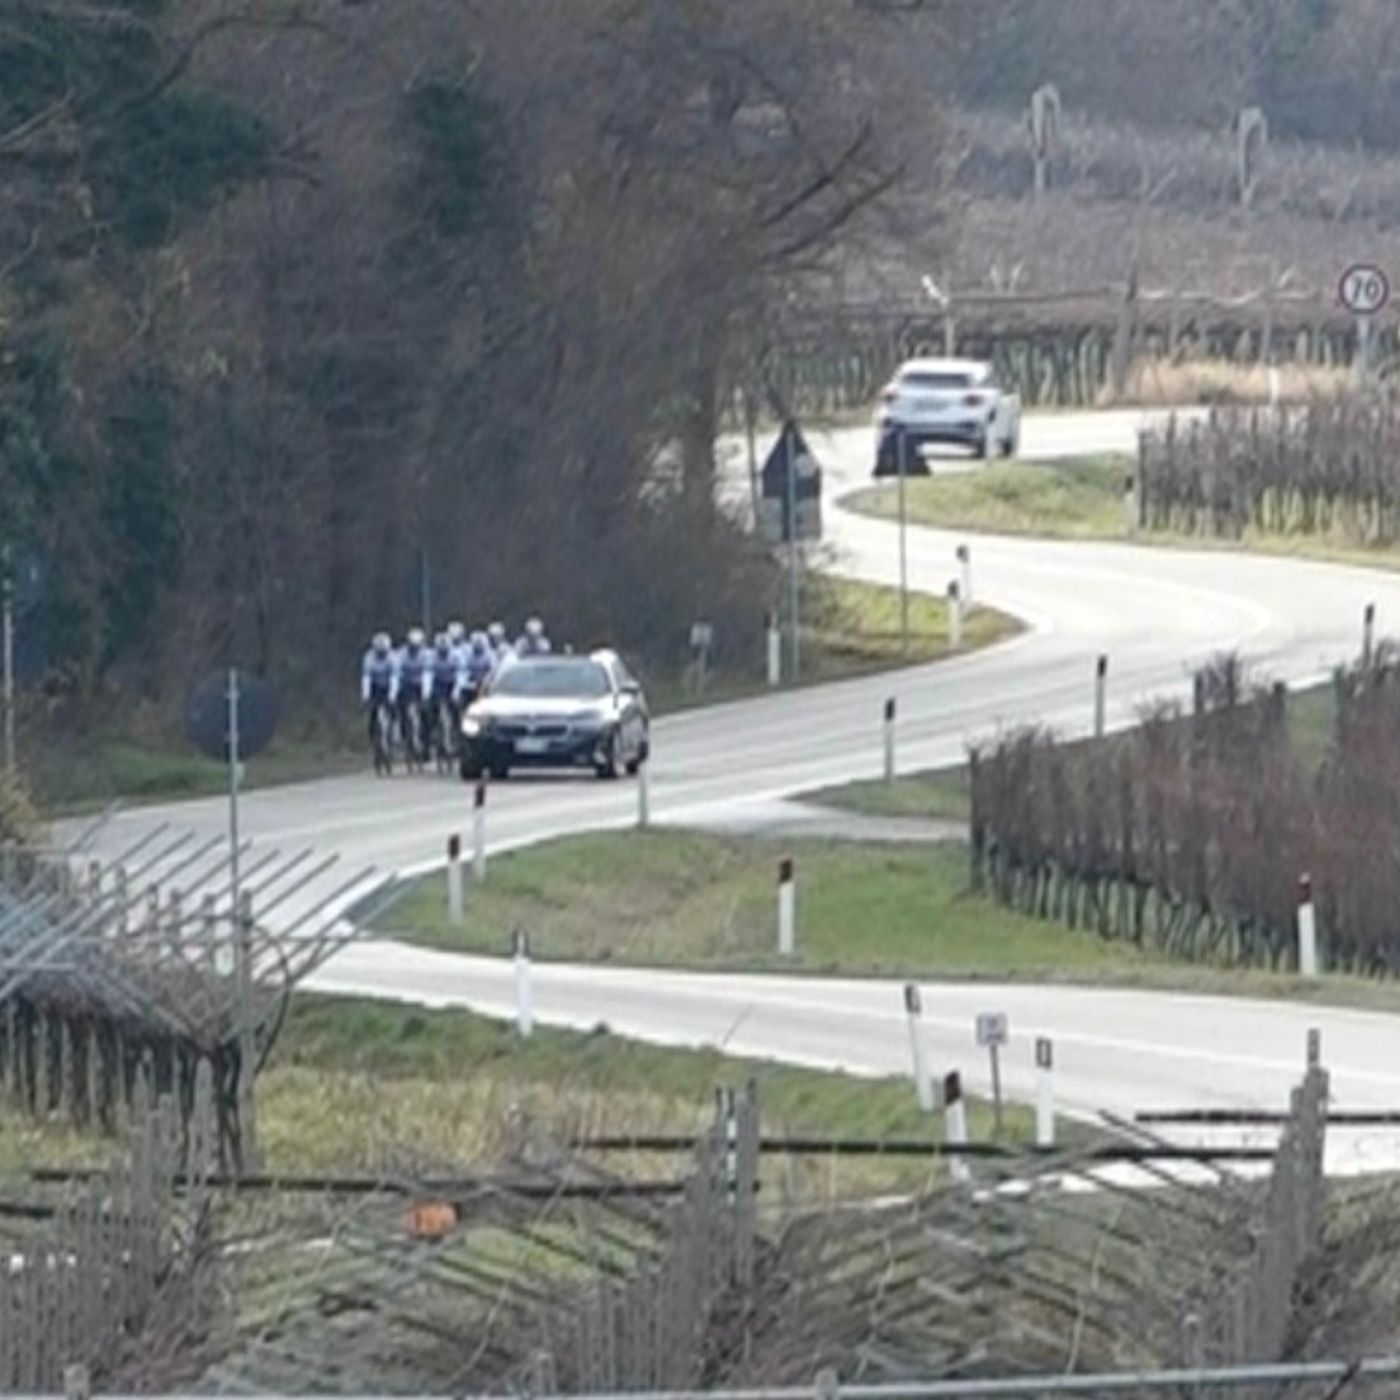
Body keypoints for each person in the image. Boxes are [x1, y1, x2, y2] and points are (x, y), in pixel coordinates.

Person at [396, 626, 431, 757]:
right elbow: (397, 672)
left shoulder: (427, 655)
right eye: (412, 646)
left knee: (425, 715)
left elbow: (428, 674)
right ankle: (406, 738)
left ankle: (426, 745)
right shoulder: (401, 654)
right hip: (406, 686)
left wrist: (426, 694)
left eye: (417, 646)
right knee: (403, 712)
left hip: (421, 686)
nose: (414, 649)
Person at [425, 631, 463, 751]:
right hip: (437, 685)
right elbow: (428, 675)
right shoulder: (431, 657)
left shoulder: (456, 656)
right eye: (441, 651)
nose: (443, 653)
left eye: (445, 651)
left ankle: (458, 734)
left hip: (452, 684)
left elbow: (460, 675)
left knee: (456, 710)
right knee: (430, 711)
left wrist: (456, 692)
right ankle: (431, 735)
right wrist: (426, 693)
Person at [360, 632, 398, 745]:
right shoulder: (369, 657)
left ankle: (395, 731)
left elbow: (394, 678)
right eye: (379, 652)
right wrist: (366, 695)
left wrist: (392, 696)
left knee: (393, 709)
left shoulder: (392, 658)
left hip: (388, 686)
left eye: (383, 652)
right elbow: (366, 677)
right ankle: (372, 736)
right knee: (373, 713)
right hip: (375, 687)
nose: (381, 655)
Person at [461, 630, 496, 703]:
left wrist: (485, 681)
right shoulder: (468, 653)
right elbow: (463, 669)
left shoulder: (490, 654)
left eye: (479, 643)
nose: (477, 645)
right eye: (475, 643)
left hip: (486, 682)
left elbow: (492, 671)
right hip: (471, 682)